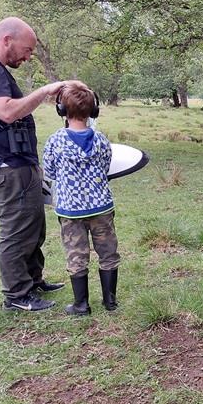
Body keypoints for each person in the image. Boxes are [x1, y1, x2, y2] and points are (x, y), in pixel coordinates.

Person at [0, 17, 65, 311]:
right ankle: (17, 295)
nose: (28, 56)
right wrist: (46, 91)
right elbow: (6, 113)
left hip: (19, 165)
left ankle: (33, 281)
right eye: (27, 50)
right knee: (15, 232)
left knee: (33, 227)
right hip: (6, 168)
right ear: (7, 40)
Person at [42, 81, 120, 315]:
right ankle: (110, 301)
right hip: (101, 208)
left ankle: (81, 304)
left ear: (62, 111)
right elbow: (106, 167)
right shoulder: (101, 140)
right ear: (92, 111)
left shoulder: (55, 141)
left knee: (76, 255)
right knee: (108, 252)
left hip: (70, 211)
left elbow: (50, 172)